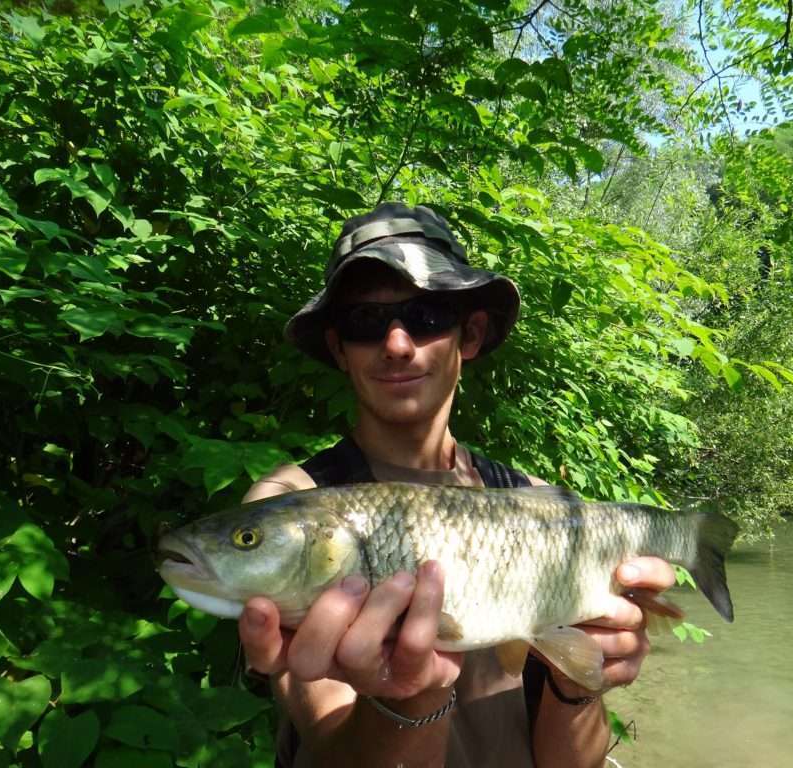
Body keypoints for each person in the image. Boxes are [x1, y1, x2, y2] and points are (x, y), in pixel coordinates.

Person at [239, 203, 676, 767]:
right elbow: (328, 749)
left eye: (425, 316)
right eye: (365, 323)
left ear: (469, 333)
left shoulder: (535, 505)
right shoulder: (293, 510)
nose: (397, 344)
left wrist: (581, 682)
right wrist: (409, 699)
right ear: (337, 349)